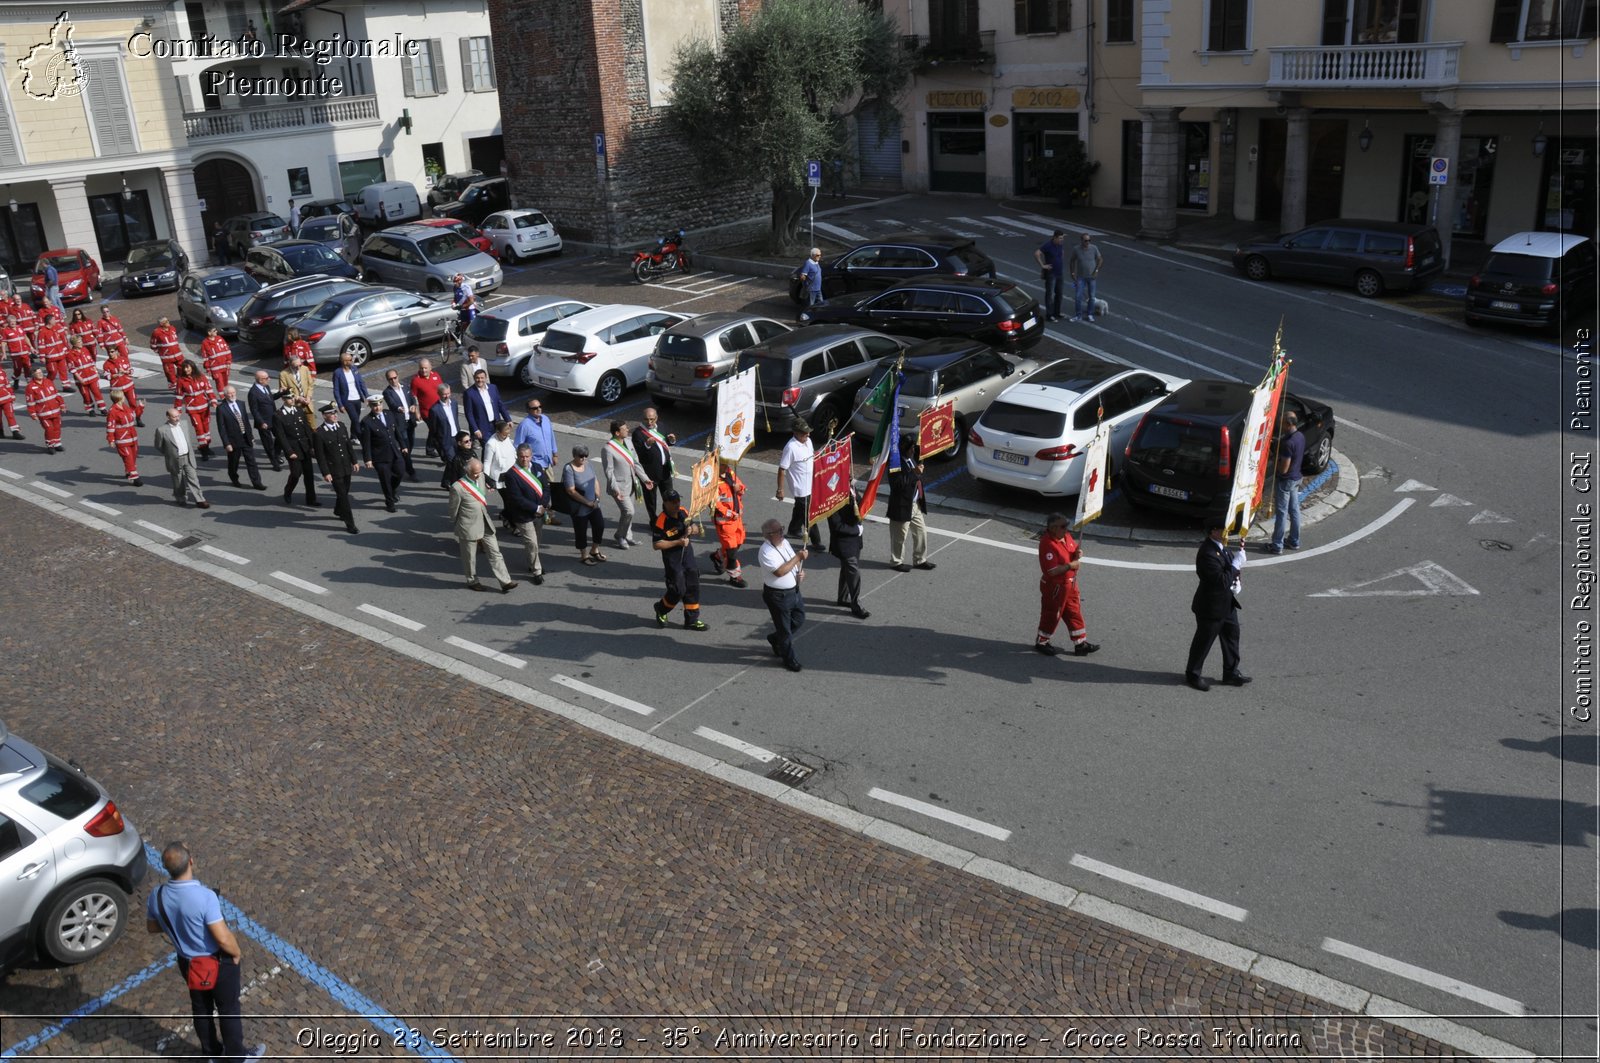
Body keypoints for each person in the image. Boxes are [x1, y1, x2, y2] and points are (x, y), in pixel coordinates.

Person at [145, 843, 264, 1063]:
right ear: (191, 861)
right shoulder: (205, 896)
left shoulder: (156, 895)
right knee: (228, 1009)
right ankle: (237, 1057)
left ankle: (211, 1052)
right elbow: (222, 937)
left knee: (201, 1008)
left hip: (187, 963)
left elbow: (152, 927)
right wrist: (236, 953)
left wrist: (179, 922)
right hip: (216, 963)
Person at [1185, 516, 1249, 691]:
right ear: (1213, 531)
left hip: (1226, 604)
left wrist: (1237, 582)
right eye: (1224, 529)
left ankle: (1230, 672)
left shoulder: (1222, 548)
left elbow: (1229, 576)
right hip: (1210, 607)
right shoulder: (1207, 553)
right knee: (1203, 642)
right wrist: (1236, 564)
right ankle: (1193, 674)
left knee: (1231, 637)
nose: (1227, 532)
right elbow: (1221, 580)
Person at [449, 457, 519, 593]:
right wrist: (460, 524)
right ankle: (472, 581)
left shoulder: (481, 477)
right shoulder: (457, 488)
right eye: (475, 473)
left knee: (495, 552)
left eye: (480, 472)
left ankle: (505, 581)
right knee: (469, 557)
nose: (478, 475)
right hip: (468, 526)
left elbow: (482, 495)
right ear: (467, 471)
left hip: (485, 521)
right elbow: (453, 510)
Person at [1035, 512, 1098, 656]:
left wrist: (1078, 553)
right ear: (1053, 528)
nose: (1067, 529)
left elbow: (1073, 549)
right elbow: (1051, 571)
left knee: (1074, 612)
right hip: (1055, 587)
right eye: (1063, 526)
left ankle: (1080, 643)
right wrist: (1071, 565)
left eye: (1066, 525)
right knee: (1052, 614)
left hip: (1069, 584)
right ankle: (1042, 641)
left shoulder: (1065, 536)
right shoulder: (1047, 544)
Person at [650, 489, 707, 630]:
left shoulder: (683, 511)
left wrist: (693, 529)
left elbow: (694, 526)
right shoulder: (661, 520)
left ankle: (692, 619)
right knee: (678, 589)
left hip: (686, 552)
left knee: (692, 581)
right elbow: (656, 545)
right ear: (665, 503)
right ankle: (661, 609)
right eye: (673, 502)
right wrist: (678, 542)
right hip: (672, 557)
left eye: (678, 501)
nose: (677, 504)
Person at [758, 518, 806, 672]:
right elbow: (779, 572)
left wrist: (800, 570)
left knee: (799, 619)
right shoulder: (766, 551)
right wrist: (798, 558)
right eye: (779, 531)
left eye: (782, 529)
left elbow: (793, 560)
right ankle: (789, 658)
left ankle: (775, 638)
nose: (782, 532)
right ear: (769, 534)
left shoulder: (784, 542)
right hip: (778, 596)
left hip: (794, 590)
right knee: (785, 630)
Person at [500, 444, 547, 583]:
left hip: (539, 512)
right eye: (521, 457)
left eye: (527, 456)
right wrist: (536, 508)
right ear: (517, 456)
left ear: (531, 456)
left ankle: (532, 563)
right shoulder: (511, 474)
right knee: (531, 542)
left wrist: (543, 505)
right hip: (523, 515)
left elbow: (546, 487)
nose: (524, 459)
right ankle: (537, 571)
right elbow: (516, 498)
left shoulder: (537, 468)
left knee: (536, 541)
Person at [312, 401, 360, 534]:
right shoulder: (319, 433)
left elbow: (348, 446)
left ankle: (338, 510)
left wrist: (354, 461)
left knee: (345, 491)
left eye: (334, 413)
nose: (334, 415)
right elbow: (320, 456)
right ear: (324, 416)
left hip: (346, 467)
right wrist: (325, 472)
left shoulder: (342, 426)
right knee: (343, 496)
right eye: (331, 414)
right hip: (334, 470)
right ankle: (350, 523)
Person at [887, 439, 934, 572]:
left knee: (921, 532)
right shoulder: (895, 463)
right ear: (904, 449)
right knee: (899, 536)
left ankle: (920, 560)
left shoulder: (910, 459)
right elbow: (897, 485)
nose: (913, 450)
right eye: (911, 448)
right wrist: (914, 473)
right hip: (901, 506)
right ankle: (896, 562)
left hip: (914, 505)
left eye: (914, 447)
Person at [601, 419, 648, 548]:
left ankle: (628, 536)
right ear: (617, 432)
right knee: (629, 511)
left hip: (632, 483)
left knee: (628, 513)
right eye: (624, 428)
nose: (628, 430)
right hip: (619, 487)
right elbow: (609, 472)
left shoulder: (628, 442)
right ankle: (619, 535)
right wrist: (615, 488)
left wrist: (645, 479)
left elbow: (635, 462)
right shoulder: (608, 449)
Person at [775, 419, 823, 547]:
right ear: (795, 433)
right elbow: (782, 469)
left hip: (810, 484)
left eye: (808, 432)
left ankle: (794, 529)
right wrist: (780, 489)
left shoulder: (808, 441)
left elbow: (812, 457)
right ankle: (816, 542)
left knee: (800, 509)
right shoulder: (790, 448)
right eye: (804, 433)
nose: (808, 435)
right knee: (808, 515)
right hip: (800, 488)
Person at [358, 396, 407, 512]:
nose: (377, 407)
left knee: (400, 472)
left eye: (379, 404)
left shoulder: (388, 414)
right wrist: (368, 459)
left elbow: (396, 432)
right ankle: (389, 502)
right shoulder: (367, 421)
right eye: (374, 405)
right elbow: (366, 443)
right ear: (370, 406)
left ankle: (392, 489)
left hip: (394, 452)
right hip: (380, 456)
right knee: (385, 480)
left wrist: (403, 445)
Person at [827, 485, 869, 619]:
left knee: (846, 569)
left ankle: (842, 597)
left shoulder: (851, 488)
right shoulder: (832, 496)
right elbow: (836, 525)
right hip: (844, 542)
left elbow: (860, 504)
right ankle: (856, 604)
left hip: (855, 539)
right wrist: (857, 530)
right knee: (853, 570)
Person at [561, 444, 606, 566]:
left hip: (593, 504)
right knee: (581, 531)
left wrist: (597, 498)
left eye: (586, 456)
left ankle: (594, 549)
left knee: (599, 525)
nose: (584, 458)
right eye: (581, 456)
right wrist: (587, 502)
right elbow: (571, 490)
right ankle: (584, 555)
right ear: (574, 456)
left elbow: (595, 481)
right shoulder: (569, 469)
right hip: (579, 507)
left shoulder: (588, 464)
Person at [154, 406, 208, 508]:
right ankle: (181, 498)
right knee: (178, 480)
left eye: (178, 416)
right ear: (168, 417)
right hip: (175, 459)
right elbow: (158, 446)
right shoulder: (161, 430)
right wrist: (170, 453)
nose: (177, 418)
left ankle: (200, 499)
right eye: (174, 417)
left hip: (188, 456)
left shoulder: (184, 424)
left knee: (193, 478)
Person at [214, 385, 266, 490]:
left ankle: (257, 482)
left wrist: (251, 436)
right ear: (225, 395)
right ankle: (234, 478)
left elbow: (246, 422)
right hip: (233, 440)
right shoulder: (221, 408)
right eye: (230, 393)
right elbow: (222, 428)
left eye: (234, 392)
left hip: (245, 437)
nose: (233, 395)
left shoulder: (241, 404)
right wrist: (226, 443)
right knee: (234, 462)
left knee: (251, 461)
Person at [1267, 411, 1304, 555]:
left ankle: (1277, 545)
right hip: (1296, 478)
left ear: (1288, 424)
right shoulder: (1300, 436)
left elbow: (1284, 469)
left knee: (1281, 513)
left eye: (1282, 423)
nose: (1280, 425)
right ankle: (1294, 540)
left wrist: (1274, 462)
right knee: (1294, 510)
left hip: (1286, 480)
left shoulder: (1288, 443)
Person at [631, 406, 675, 522]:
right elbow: (639, 454)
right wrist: (647, 445)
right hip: (650, 473)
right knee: (651, 500)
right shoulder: (638, 433)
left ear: (656, 418)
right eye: (646, 419)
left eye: (652, 419)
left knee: (669, 497)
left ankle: (667, 518)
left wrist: (671, 441)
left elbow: (666, 444)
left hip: (665, 470)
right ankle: (653, 521)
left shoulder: (662, 426)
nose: (649, 422)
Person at [273, 396, 319, 507]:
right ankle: (288, 491)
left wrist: (312, 445)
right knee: (296, 473)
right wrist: (289, 451)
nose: (292, 400)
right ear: (284, 399)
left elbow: (306, 429)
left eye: (293, 397)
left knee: (309, 475)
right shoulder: (278, 415)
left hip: (305, 447)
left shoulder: (299, 410)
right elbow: (281, 436)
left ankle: (311, 499)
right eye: (289, 398)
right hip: (293, 449)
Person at [710, 458, 748, 588]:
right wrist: (729, 513)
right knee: (732, 552)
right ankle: (735, 576)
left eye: (727, 463)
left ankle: (718, 556)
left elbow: (742, 487)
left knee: (738, 544)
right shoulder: (712, 481)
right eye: (723, 464)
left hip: (737, 519)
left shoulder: (730, 473)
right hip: (725, 522)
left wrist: (739, 488)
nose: (726, 466)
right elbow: (715, 503)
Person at [175, 359, 217, 460]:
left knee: (206, 428)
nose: (186, 370)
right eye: (184, 368)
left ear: (192, 367)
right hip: (193, 409)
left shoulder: (201, 377)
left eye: (187, 367)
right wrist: (178, 410)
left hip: (204, 407)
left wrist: (213, 401)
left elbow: (209, 390)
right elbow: (179, 397)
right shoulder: (181, 381)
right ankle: (203, 450)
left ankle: (207, 446)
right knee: (199, 429)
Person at [380, 369, 417, 478]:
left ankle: (400, 461)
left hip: (410, 420)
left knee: (411, 444)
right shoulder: (387, 392)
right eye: (390, 379)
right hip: (400, 423)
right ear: (388, 380)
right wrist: (398, 408)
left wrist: (413, 405)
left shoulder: (405, 387)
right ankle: (411, 471)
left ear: (398, 376)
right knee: (404, 446)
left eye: (395, 378)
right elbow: (392, 404)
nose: (393, 380)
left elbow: (412, 399)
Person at [102, 341, 146, 428]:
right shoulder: (106, 364)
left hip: (128, 386)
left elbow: (131, 371)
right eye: (109, 352)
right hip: (116, 389)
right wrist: (116, 374)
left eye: (112, 352)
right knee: (119, 406)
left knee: (133, 404)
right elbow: (107, 376)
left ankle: (138, 418)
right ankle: (121, 421)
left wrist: (125, 371)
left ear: (116, 351)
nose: (110, 354)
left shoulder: (124, 359)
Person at [23, 366, 65, 453]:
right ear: (33, 375)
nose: (40, 374)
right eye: (37, 373)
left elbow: (56, 394)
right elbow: (30, 402)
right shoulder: (30, 387)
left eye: (41, 372)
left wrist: (62, 404)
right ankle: (50, 444)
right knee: (49, 429)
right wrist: (33, 414)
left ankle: (57, 443)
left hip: (55, 410)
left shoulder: (48, 382)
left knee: (57, 427)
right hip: (43, 413)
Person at [105, 389, 142, 486]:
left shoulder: (125, 407)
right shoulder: (112, 411)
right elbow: (110, 426)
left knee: (133, 457)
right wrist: (111, 439)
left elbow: (134, 416)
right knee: (128, 457)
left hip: (132, 437)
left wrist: (141, 407)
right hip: (122, 439)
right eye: (123, 396)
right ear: (119, 398)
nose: (124, 397)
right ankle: (135, 477)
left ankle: (128, 471)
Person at [462, 367, 508, 444]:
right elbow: (469, 413)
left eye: (482, 378)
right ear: (474, 378)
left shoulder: (493, 388)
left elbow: (500, 404)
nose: (480, 380)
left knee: (498, 446)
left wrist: (508, 419)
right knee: (487, 447)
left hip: (496, 424)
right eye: (477, 378)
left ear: (486, 378)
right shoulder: (469, 393)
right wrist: (475, 429)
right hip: (483, 427)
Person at [410, 358, 446, 457]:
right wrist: (417, 412)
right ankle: (444, 455)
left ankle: (429, 449)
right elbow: (414, 397)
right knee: (438, 431)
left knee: (434, 430)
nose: (423, 370)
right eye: (421, 368)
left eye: (426, 368)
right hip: (427, 412)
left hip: (439, 408)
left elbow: (442, 389)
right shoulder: (416, 380)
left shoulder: (436, 375)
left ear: (430, 367)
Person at [248, 370, 283, 470]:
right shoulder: (253, 393)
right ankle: (274, 463)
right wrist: (261, 422)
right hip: (263, 422)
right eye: (267, 378)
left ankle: (276, 454)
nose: (269, 379)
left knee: (281, 436)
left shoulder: (266, 387)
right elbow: (254, 410)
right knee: (268, 444)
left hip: (273, 418)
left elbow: (270, 399)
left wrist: (281, 393)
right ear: (261, 380)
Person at [514, 397, 557, 478]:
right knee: (537, 489)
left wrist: (555, 455)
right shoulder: (524, 425)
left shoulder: (546, 419)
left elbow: (552, 437)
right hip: (535, 465)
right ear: (528, 410)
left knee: (550, 488)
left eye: (540, 406)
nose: (539, 409)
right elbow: (518, 446)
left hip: (548, 463)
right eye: (535, 408)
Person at [64, 335, 106, 414]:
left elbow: (91, 362)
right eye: (79, 342)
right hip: (81, 377)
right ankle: (90, 409)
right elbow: (72, 368)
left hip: (92, 375)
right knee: (85, 394)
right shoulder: (70, 354)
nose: (81, 343)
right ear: (74, 344)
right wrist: (79, 378)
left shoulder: (85, 349)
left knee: (97, 392)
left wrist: (96, 372)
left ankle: (102, 408)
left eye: (81, 341)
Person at [1034, 229, 1067, 322]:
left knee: (1059, 294)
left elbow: (1062, 254)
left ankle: (1057, 312)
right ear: (1055, 237)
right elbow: (1037, 253)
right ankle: (1049, 314)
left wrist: (1060, 262)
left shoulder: (1060, 245)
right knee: (1049, 294)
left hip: (1059, 273)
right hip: (1051, 274)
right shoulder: (1048, 245)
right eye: (1060, 238)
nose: (1062, 240)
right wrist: (1043, 266)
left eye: (1062, 238)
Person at [1069, 232, 1103, 323]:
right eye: (1086, 240)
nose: (1088, 242)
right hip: (1081, 277)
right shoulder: (1076, 249)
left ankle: (1090, 314)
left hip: (1092, 277)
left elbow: (1100, 259)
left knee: (1092, 297)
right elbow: (1072, 261)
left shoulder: (1094, 248)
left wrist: (1096, 271)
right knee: (1078, 297)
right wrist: (1072, 273)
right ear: (1082, 241)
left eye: (1089, 240)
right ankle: (1078, 315)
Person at [482, 418, 517, 505]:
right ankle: (508, 515)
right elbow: (487, 462)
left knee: (513, 497)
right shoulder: (491, 444)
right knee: (508, 499)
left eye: (508, 433)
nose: (507, 436)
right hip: (501, 477)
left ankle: (507, 513)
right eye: (505, 435)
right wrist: (487, 479)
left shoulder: (507, 438)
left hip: (512, 473)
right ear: (498, 432)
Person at [427, 384, 463, 466]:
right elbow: (433, 429)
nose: (447, 396)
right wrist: (439, 444)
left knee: (460, 459)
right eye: (444, 394)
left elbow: (455, 419)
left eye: (448, 393)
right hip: (446, 440)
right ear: (439, 394)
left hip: (457, 437)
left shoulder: (454, 403)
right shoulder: (434, 409)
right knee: (453, 462)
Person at [331, 350, 368, 424]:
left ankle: (354, 436)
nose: (352, 361)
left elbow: (361, 383)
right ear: (344, 362)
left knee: (356, 419)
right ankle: (360, 434)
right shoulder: (338, 373)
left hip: (357, 399)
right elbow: (336, 390)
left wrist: (366, 396)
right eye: (350, 360)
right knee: (355, 420)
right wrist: (340, 405)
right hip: (348, 401)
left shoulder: (354, 369)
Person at [35, 311, 70, 391]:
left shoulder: (57, 328)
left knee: (63, 370)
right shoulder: (42, 331)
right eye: (54, 320)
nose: (55, 321)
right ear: (49, 321)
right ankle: (47, 384)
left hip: (60, 354)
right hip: (51, 357)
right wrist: (42, 357)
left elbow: (63, 339)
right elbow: (41, 345)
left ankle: (66, 386)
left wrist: (66, 349)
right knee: (52, 372)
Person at [151, 316, 184, 390]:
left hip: (178, 354)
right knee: (170, 371)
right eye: (166, 321)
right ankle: (174, 384)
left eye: (168, 320)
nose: (168, 322)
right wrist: (160, 352)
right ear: (161, 324)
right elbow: (153, 344)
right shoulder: (156, 332)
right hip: (167, 357)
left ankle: (180, 381)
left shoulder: (172, 328)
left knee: (182, 368)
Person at [2, 313, 33, 388]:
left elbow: (25, 338)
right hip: (15, 354)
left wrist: (31, 347)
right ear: (8, 322)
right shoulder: (6, 331)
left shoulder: (20, 328)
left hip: (25, 352)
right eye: (11, 322)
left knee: (28, 367)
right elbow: (3, 343)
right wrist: (4, 353)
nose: (13, 323)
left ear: (16, 321)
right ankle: (15, 378)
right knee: (18, 368)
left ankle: (29, 381)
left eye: (14, 321)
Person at [199, 326, 233, 392]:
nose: (216, 332)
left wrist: (229, 361)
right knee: (220, 383)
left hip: (225, 366)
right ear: (209, 333)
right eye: (214, 331)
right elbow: (205, 357)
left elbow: (227, 350)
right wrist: (208, 368)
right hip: (215, 368)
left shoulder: (220, 339)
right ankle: (223, 398)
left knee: (226, 383)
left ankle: (226, 397)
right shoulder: (205, 343)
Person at [795, 247, 823, 323]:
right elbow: (803, 276)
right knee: (809, 306)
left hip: (818, 289)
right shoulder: (808, 263)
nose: (819, 256)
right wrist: (805, 282)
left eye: (820, 255)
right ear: (813, 255)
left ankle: (817, 318)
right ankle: (804, 320)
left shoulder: (816, 262)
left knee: (821, 304)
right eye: (818, 255)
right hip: (811, 290)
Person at [0, 372, 22, 440]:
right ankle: (1, 432)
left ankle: (15, 432)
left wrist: (12, 394)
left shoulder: (2, 372)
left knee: (10, 415)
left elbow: (7, 384)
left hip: (6, 398)